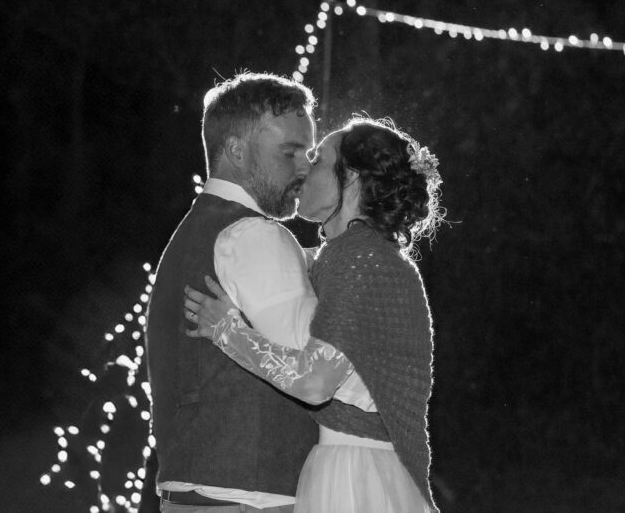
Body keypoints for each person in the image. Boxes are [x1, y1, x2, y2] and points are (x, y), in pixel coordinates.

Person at [185, 117, 444, 513]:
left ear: (351, 178)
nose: (305, 167)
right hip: (366, 470)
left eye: (319, 159)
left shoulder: (360, 259)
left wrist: (226, 330)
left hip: (353, 477)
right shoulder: (367, 256)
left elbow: (314, 383)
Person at [145, 73, 320, 512]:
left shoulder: (188, 236)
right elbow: (315, 371)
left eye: (309, 152)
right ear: (236, 151)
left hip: (187, 495)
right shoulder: (256, 235)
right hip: (254, 496)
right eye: (289, 152)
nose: (304, 168)